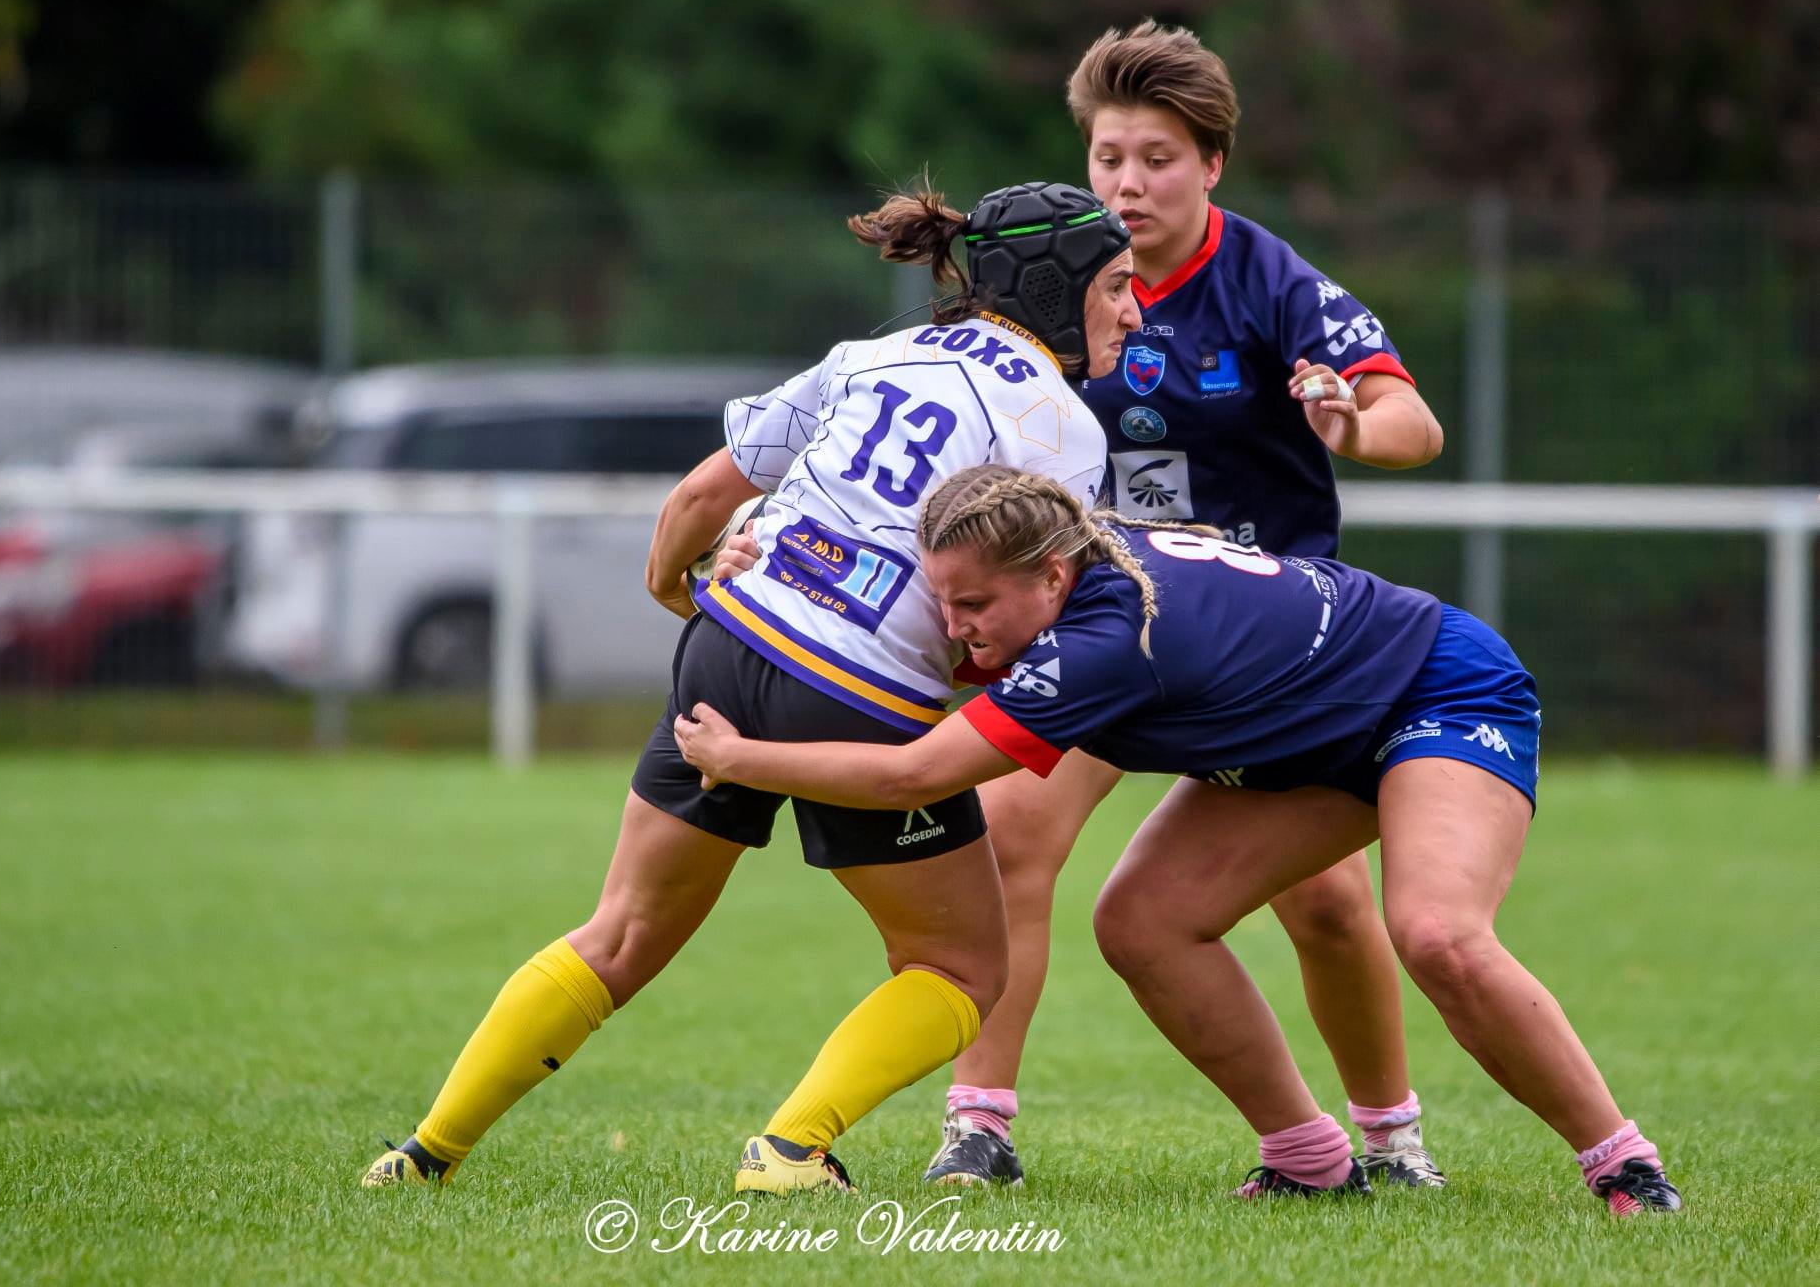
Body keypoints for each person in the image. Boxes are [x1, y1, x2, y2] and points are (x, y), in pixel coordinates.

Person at [361, 181, 1139, 1194]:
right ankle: (788, 1151)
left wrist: (673, 589)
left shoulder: (868, 355)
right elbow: (1018, 617)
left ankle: (425, 1153)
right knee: (960, 969)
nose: (1132, 308)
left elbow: (701, 493)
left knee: (622, 931)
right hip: (860, 693)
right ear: (1053, 286)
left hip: (728, 646)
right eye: (1118, 286)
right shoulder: (1061, 428)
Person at [673, 465, 1682, 1216]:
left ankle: (1624, 1164)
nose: (953, 622)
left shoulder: (1103, 643)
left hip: (1433, 688)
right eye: (945, 598)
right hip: (1310, 735)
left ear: (1052, 576)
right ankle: (1307, 1158)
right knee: (1145, 920)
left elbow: (917, 773)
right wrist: (752, 565)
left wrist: (743, 754)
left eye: (973, 605)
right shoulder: (1045, 578)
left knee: (1435, 931)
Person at [926, 18, 1449, 1189]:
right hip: (1105, 620)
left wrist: (1351, 418)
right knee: (1010, 829)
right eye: (1108, 155)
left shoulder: (1266, 278)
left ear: (1210, 163)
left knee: (1320, 903)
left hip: (1263, 644)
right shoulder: (1055, 283)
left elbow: (1414, 423)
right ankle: (980, 1124)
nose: (1125, 184)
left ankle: (1390, 1139)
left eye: (1155, 158)